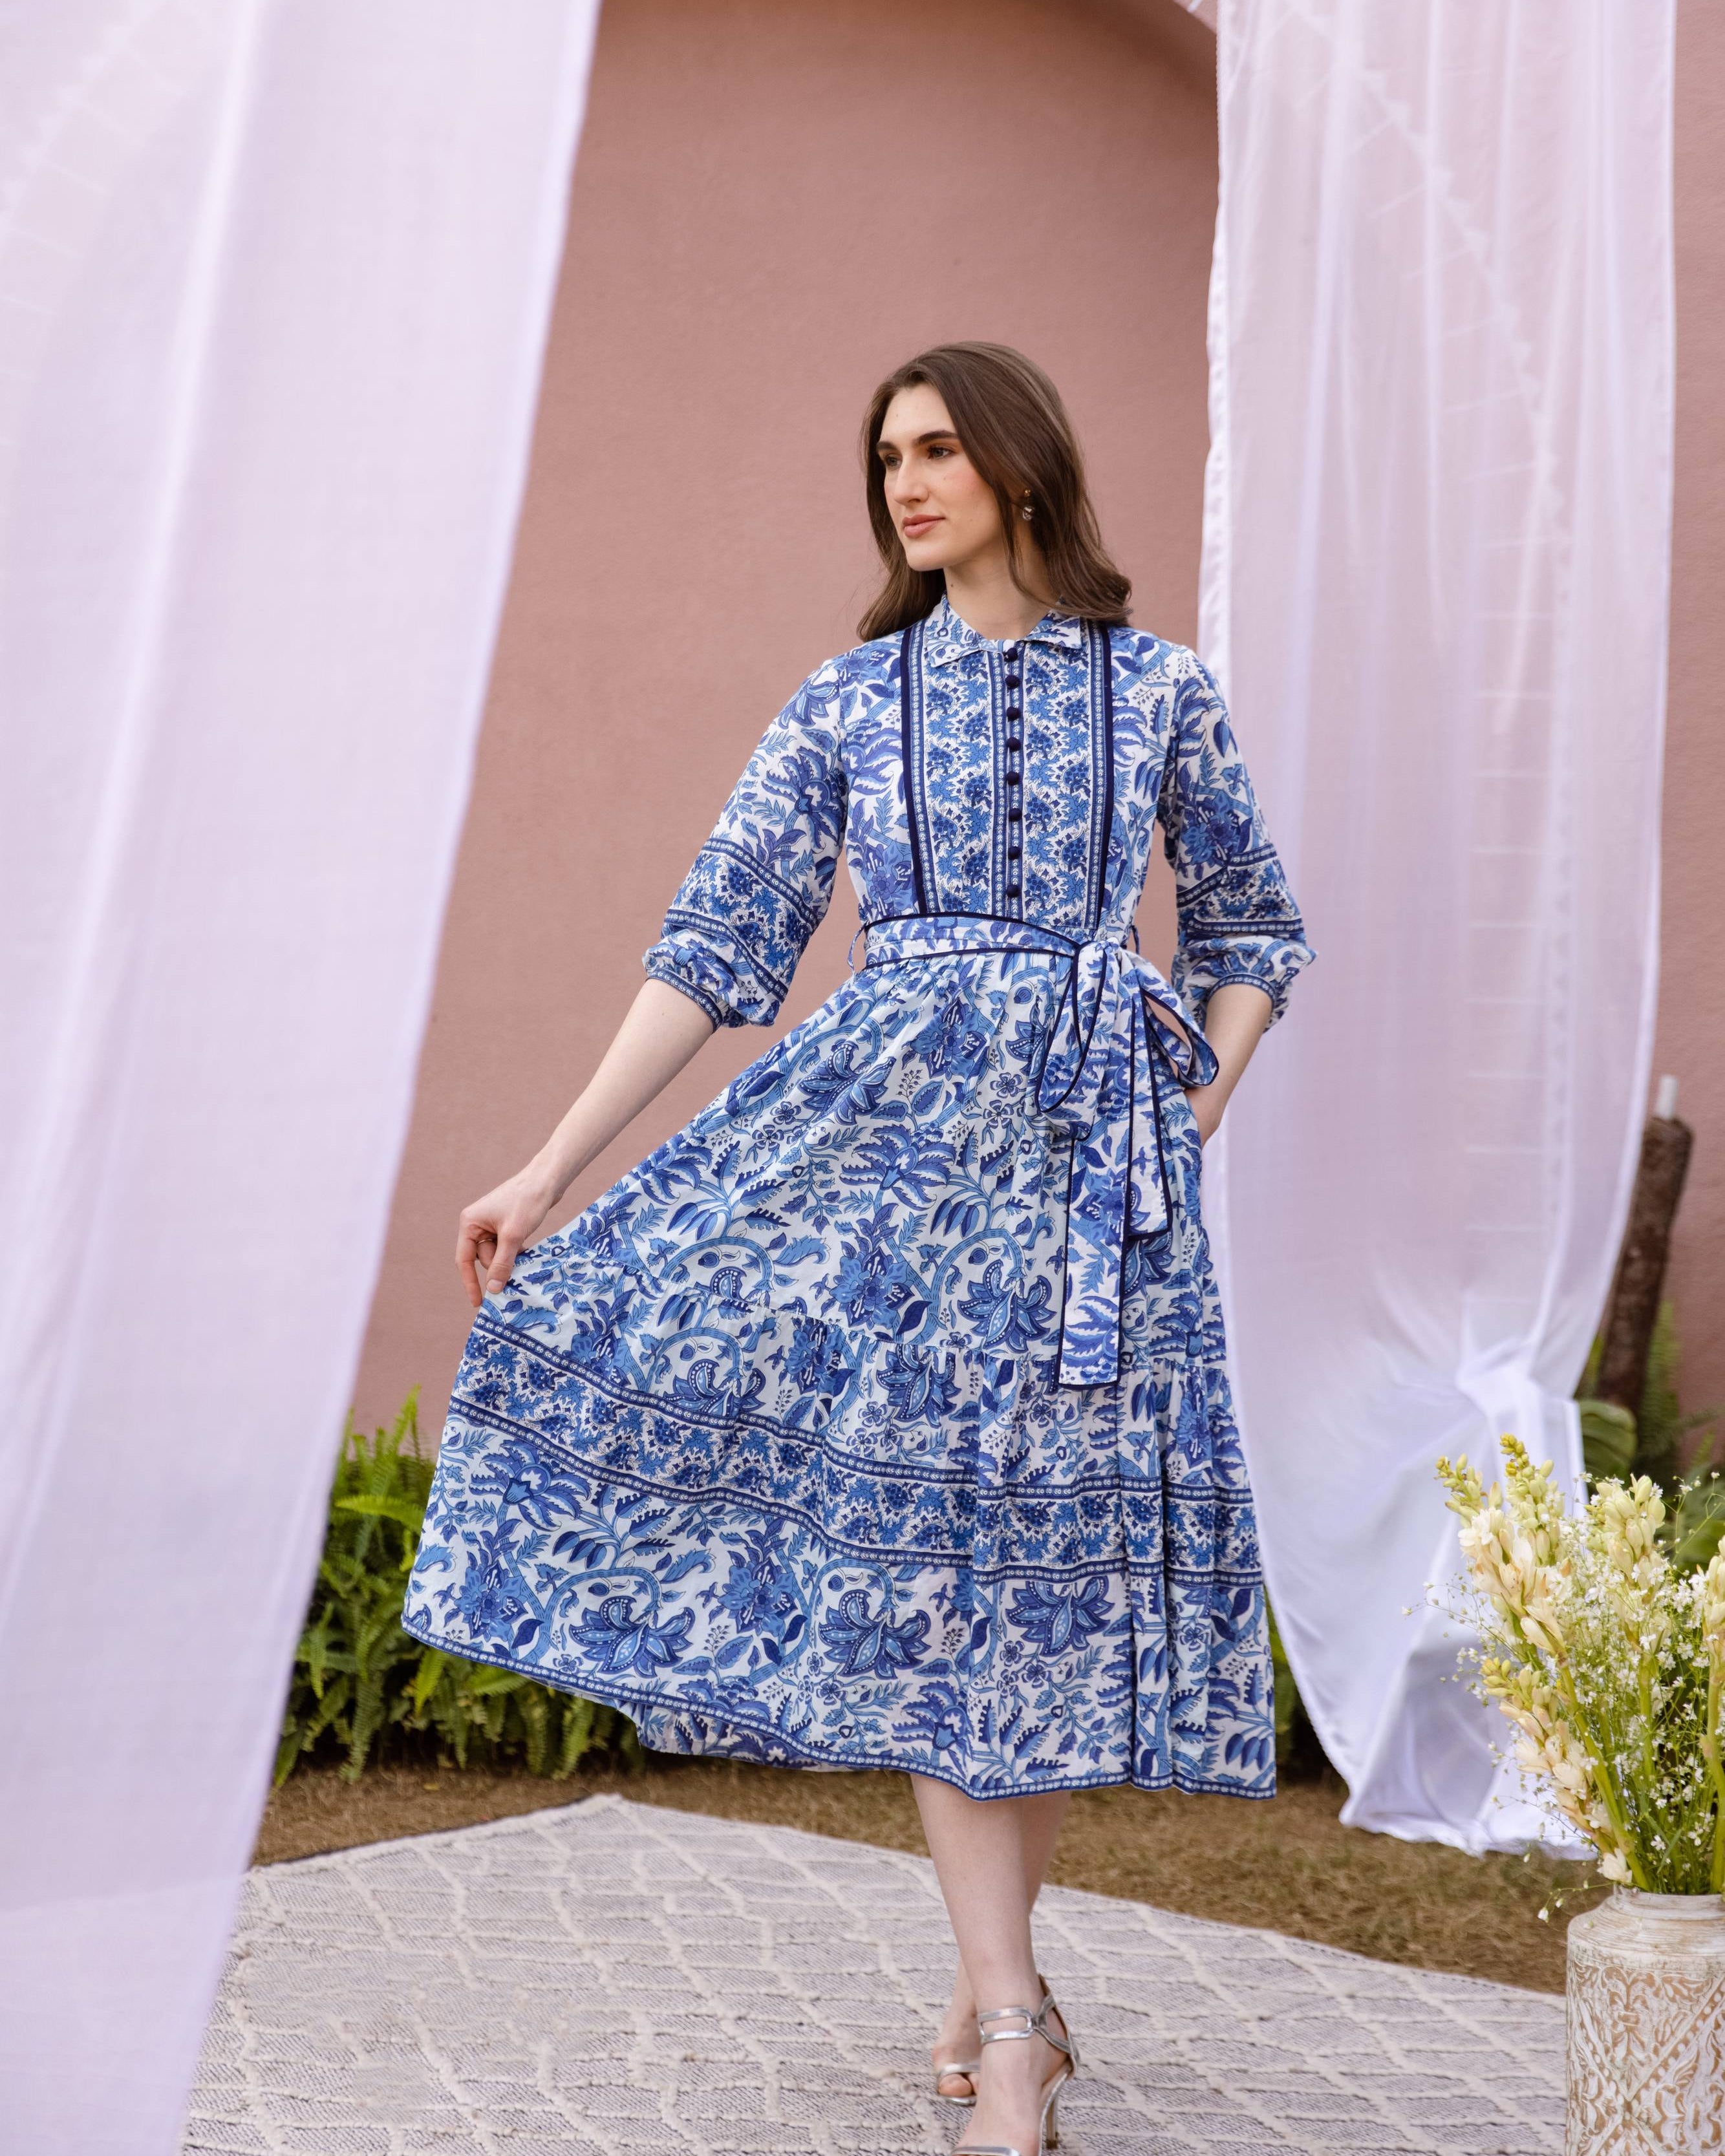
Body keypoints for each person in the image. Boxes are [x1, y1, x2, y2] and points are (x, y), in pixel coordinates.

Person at [403, 341, 1312, 2156]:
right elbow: (715, 947)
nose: (905, 482)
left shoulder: (1158, 693)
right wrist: (550, 1166)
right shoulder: (844, 702)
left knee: (1032, 1602)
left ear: (1020, 468)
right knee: (932, 1600)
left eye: (937, 449)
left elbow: (1251, 927)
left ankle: (1004, 1989)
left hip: (1085, 1213)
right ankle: (1005, 2022)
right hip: (892, 1194)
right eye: (885, 456)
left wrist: (1189, 1115)